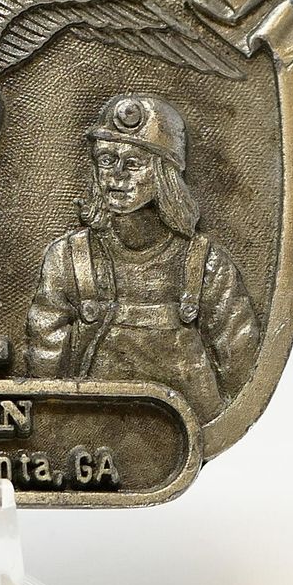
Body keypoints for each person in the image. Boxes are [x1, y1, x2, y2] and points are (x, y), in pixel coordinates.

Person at [23, 94, 261, 419]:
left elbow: (241, 368)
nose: (116, 175)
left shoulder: (206, 265)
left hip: (185, 427)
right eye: (107, 160)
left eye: (133, 163)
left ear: (165, 174)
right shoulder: (68, 258)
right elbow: (44, 369)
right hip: (90, 428)